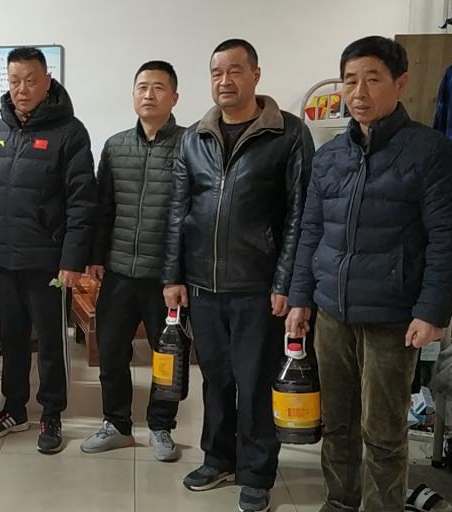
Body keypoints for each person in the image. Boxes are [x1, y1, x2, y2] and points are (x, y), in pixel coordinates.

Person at [286, 36, 452, 512]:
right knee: (337, 422)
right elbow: (311, 230)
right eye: (350, 81)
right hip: (332, 311)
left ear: (400, 83)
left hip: (392, 315)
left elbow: (448, 240)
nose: (359, 92)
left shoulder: (432, 152)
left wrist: (432, 312)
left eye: (372, 79)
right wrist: (300, 297)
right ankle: (340, 501)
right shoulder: (330, 155)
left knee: (383, 430)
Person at [161, 39, 313, 511]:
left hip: (258, 287)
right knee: (217, 380)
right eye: (216, 73)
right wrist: (173, 276)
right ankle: (217, 458)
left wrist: (285, 282)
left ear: (255, 75)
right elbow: (178, 211)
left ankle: (257, 472)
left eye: (235, 71)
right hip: (203, 286)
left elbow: (299, 213)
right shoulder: (195, 137)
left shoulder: (287, 133)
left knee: (256, 382)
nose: (224, 81)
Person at [0, 46, 97, 454]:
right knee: (12, 340)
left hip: (48, 262)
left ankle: (51, 412)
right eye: (14, 81)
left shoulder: (70, 132)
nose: (22, 89)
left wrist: (72, 260)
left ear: (47, 81)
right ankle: (14, 408)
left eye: (31, 80)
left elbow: (82, 201)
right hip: (6, 261)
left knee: (50, 342)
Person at [81, 60, 185, 462]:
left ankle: (161, 425)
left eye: (158, 87)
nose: (148, 94)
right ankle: (117, 425)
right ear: (133, 95)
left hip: (166, 277)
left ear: (174, 97)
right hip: (120, 270)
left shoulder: (191, 144)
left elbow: (191, 213)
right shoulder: (116, 146)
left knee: (167, 355)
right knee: (110, 350)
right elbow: (103, 206)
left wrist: (180, 273)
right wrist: (96, 257)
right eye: (142, 87)